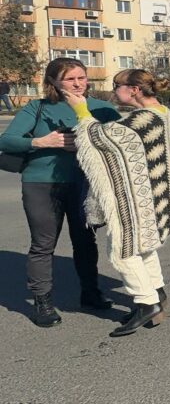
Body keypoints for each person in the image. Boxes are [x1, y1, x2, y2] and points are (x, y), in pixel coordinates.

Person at [0, 59, 120, 327]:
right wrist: (41, 142)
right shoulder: (38, 107)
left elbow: (121, 143)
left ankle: (91, 293)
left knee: (85, 242)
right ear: (53, 81)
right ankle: (42, 302)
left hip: (84, 183)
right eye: (70, 79)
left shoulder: (102, 109)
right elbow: (6, 140)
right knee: (43, 244)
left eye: (82, 77)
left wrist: (88, 145)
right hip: (41, 183)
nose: (78, 84)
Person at [66, 69, 170, 337]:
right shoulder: (163, 113)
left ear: (134, 90)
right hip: (156, 194)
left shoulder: (143, 118)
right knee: (144, 247)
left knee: (122, 251)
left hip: (138, 198)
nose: (113, 91)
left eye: (116, 85)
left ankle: (147, 304)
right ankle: (157, 292)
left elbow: (100, 139)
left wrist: (81, 111)